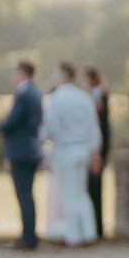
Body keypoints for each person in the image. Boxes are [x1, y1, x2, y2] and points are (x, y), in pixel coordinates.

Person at [42, 61, 101, 248]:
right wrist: (95, 152)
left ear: (62, 76)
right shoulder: (84, 98)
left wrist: (42, 140)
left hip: (65, 148)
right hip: (83, 148)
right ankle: (89, 232)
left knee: (68, 193)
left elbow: (50, 128)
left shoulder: (56, 99)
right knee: (81, 192)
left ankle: (75, 235)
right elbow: (93, 128)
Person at [0, 57, 45, 250]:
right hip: (31, 149)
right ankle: (29, 234)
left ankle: (28, 237)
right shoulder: (35, 93)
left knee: (24, 195)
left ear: (23, 72)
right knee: (27, 194)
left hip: (21, 150)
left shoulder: (23, 94)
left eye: (14, 71)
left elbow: (13, 121)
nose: (12, 75)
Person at [81, 64, 112, 238]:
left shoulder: (99, 94)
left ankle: (97, 227)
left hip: (98, 147)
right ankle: (92, 225)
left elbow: (97, 110)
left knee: (95, 185)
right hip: (91, 146)